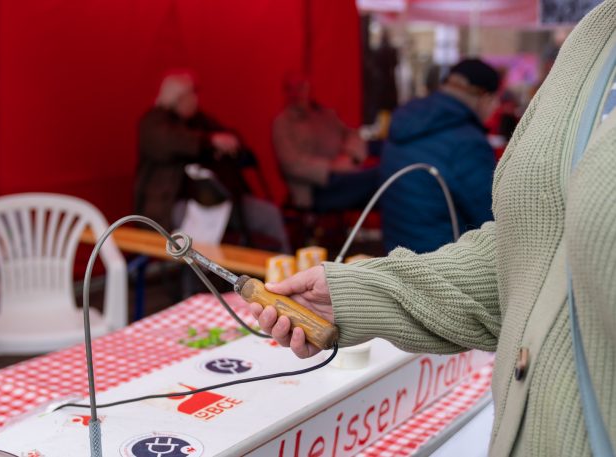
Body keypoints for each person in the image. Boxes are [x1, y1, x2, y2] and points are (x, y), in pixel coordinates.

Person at [248, 2, 615, 455]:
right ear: (482, 99)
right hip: (416, 245)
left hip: (408, 240)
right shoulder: (592, 37)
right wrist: (352, 292)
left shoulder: (407, 121)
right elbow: (524, 247)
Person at [134, 70, 289, 251]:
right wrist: (209, 142)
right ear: (178, 98)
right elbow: (169, 141)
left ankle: (287, 274)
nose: (196, 99)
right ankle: (199, 278)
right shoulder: (153, 122)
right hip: (169, 205)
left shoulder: (200, 120)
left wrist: (228, 144)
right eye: (193, 93)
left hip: (220, 201)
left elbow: (231, 140)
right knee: (197, 233)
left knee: (269, 215)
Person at [380, 58, 499, 254]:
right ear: (485, 98)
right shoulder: (468, 142)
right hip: (442, 263)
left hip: (395, 254)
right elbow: (490, 216)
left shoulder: (403, 119)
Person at [272, 73, 379, 212]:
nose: (300, 92)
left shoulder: (325, 115)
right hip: (316, 188)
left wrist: (352, 157)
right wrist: (331, 166)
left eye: (304, 86)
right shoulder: (283, 124)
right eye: (295, 87)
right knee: (381, 177)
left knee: (384, 172)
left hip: (346, 174)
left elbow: (350, 134)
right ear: (286, 92)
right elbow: (292, 164)